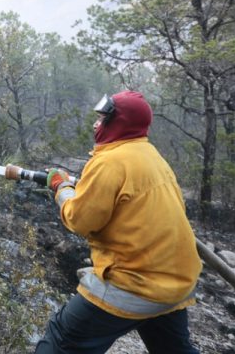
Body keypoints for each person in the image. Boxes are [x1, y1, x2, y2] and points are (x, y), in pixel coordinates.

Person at [34, 90, 202, 354]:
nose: (95, 124)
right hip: (176, 281)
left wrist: (61, 186)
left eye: (102, 118)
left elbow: (80, 220)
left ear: (117, 123)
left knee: (60, 341)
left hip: (133, 283)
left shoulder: (109, 162)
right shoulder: (151, 155)